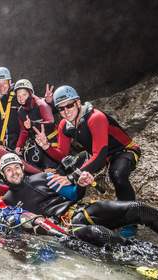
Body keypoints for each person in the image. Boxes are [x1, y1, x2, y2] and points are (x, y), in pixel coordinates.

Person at [0, 153, 158, 260]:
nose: (14, 171)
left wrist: (81, 184)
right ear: (4, 175)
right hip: (66, 228)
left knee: (140, 209)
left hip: (80, 211)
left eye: (16, 166)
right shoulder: (7, 200)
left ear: (21, 166)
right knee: (105, 237)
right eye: (8, 170)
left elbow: (72, 193)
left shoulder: (40, 178)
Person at [34, 85, 141, 236]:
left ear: (78, 102)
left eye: (69, 105)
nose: (66, 111)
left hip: (123, 150)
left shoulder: (95, 117)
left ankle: (131, 222)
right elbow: (61, 154)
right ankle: (66, 207)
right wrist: (46, 146)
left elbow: (99, 155)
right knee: (66, 166)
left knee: (117, 174)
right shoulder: (64, 125)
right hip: (99, 156)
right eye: (61, 108)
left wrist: (72, 177)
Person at [13, 79, 59, 170]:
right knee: (32, 168)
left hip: (51, 142)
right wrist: (18, 146)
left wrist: (33, 124)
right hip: (36, 143)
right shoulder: (21, 111)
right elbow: (24, 131)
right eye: (18, 96)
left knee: (52, 169)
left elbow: (50, 123)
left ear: (30, 94)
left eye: (24, 94)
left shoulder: (40, 104)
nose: (21, 98)